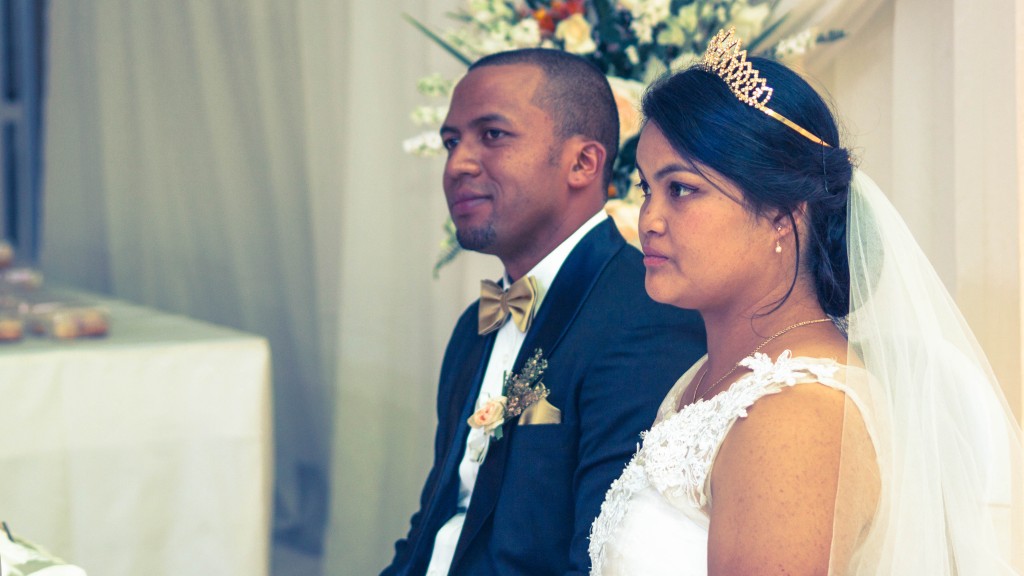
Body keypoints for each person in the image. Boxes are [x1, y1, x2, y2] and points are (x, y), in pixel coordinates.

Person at [588, 28, 1024, 576]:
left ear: (782, 213)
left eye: (681, 189)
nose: (648, 219)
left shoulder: (794, 416)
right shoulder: (713, 375)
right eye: (646, 188)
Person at [381, 48, 707, 576]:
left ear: (582, 162)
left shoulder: (644, 317)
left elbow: (602, 560)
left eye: (492, 135)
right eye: (451, 141)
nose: (458, 163)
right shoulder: (476, 326)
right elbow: (435, 527)